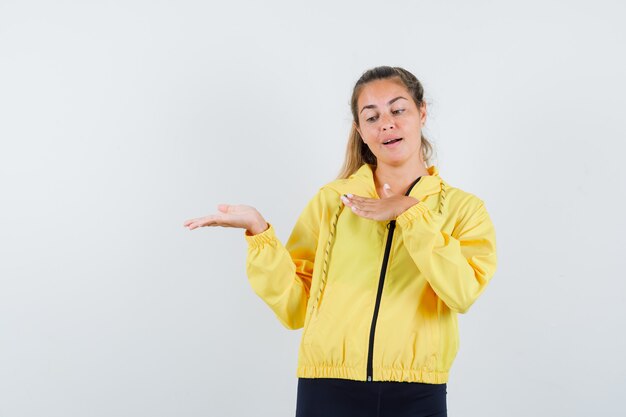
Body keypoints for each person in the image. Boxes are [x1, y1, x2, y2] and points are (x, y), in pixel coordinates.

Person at [183, 66, 498, 417]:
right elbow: (296, 307)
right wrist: (260, 233)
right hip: (327, 388)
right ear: (360, 130)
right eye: (372, 116)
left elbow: (461, 292)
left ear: (421, 112)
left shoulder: (464, 209)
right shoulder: (333, 202)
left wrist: (411, 213)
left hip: (418, 390)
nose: (387, 124)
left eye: (398, 110)